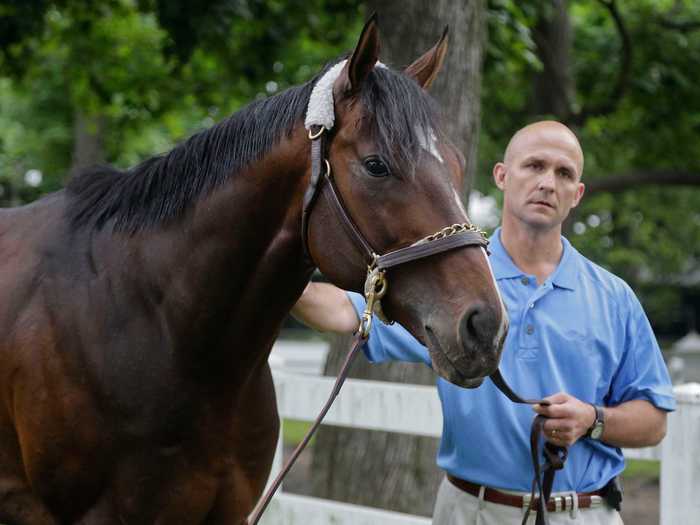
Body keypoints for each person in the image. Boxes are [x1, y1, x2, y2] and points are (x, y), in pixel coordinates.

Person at [291, 121, 675, 524]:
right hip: (471, 512)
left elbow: (654, 422)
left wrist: (592, 420)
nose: (547, 182)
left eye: (564, 173)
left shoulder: (613, 298)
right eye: (534, 165)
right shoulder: (451, 285)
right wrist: (265, 277)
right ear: (501, 176)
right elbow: (341, 310)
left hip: (583, 513)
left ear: (577, 194)